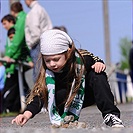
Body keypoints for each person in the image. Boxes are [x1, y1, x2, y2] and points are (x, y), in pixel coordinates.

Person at [12, 29, 124, 128]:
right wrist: (26, 114)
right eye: (47, 60)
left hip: (84, 94)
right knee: (44, 90)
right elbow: (38, 96)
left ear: (68, 53)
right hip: (63, 101)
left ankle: (111, 115)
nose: (52, 64)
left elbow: (95, 59)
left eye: (56, 59)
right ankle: (66, 118)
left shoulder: (82, 59)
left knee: (97, 74)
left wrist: (99, 63)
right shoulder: (47, 74)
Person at [1, 2, 33, 113]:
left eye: (5, 23)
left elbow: (19, 44)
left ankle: (8, 109)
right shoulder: (22, 20)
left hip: (16, 64)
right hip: (15, 63)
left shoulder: (19, 23)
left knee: (13, 89)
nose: (4, 27)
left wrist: (9, 56)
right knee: (22, 87)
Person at [25, 0, 53, 83]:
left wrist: (31, 43)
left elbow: (35, 31)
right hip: (45, 40)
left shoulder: (34, 11)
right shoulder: (41, 9)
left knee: (38, 73)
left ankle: (39, 94)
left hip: (37, 44)